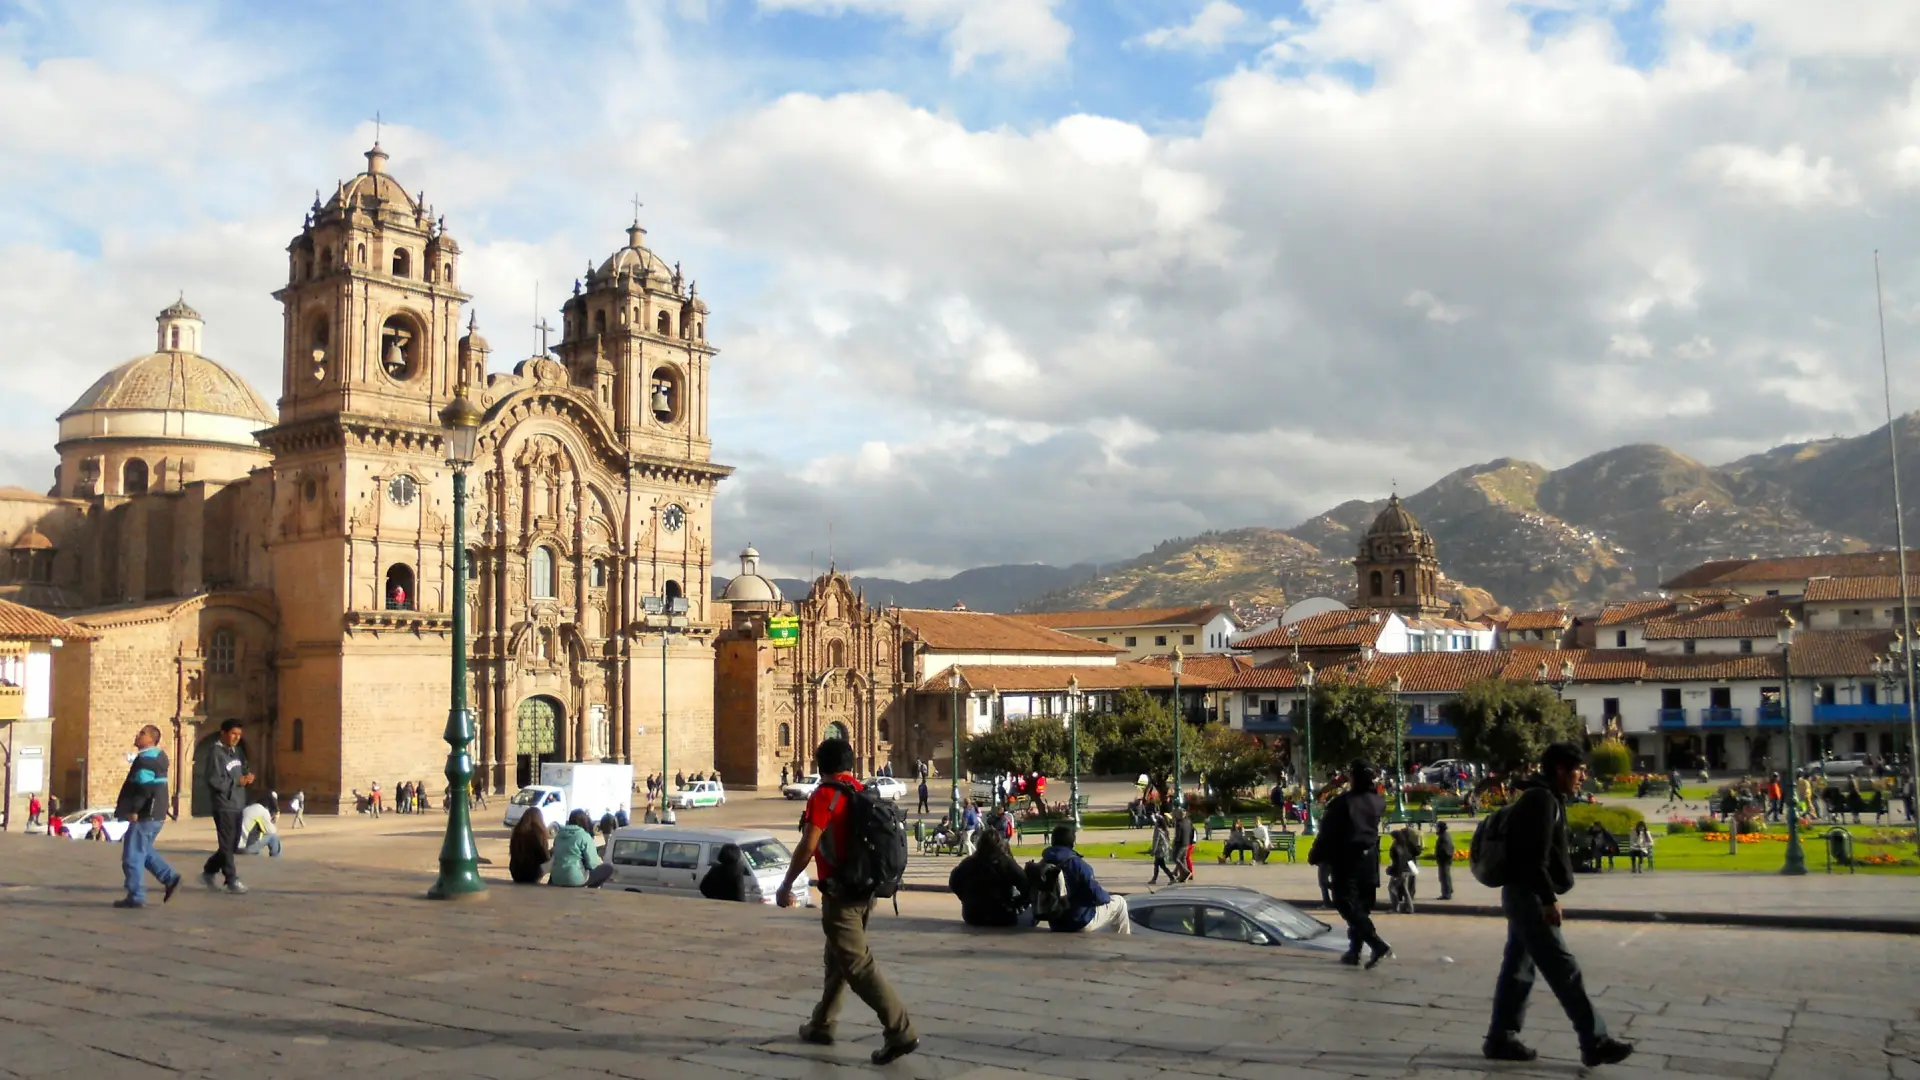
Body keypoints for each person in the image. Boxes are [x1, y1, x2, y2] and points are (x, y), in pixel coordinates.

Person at [1484, 742, 1634, 1067]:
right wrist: (1548, 900)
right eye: (1579, 770)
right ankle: (1595, 1041)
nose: (1583, 776)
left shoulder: (1543, 798)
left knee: (1518, 969)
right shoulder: (1541, 800)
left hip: (1522, 894)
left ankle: (1501, 1037)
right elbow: (1531, 858)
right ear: (1560, 771)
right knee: (1565, 970)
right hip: (1530, 897)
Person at [776, 738, 919, 1066]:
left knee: (855, 963)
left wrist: (787, 884)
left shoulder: (825, 794)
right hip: (865, 890)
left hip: (841, 893)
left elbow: (808, 844)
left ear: (819, 765)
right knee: (838, 959)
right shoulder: (860, 790)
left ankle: (900, 1030)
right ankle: (822, 1024)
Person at [1308, 759, 1390, 968]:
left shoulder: (1342, 803)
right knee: (1361, 906)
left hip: (1346, 858)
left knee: (1346, 903)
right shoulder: (1378, 801)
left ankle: (1376, 943)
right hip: (1370, 859)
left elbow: (1328, 833)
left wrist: (1316, 854)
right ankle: (1354, 951)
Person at [113, 724, 181, 908]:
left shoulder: (145, 761)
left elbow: (145, 788)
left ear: (151, 739)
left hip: (146, 814)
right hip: (156, 813)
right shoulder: (159, 757)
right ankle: (170, 877)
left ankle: (136, 896)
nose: (137, 735)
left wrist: (134, 809)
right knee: (143, 850)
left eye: (142, 733)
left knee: (132, 855)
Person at [1037, 825, 1130, 934]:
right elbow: (1097, 895)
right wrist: (1107, 897)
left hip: (1056, 922)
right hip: (1080, 921)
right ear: (1072, 843)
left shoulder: (1043, 863)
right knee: (1120, 903)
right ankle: (1123, 939)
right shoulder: (1076, 864)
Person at [197, 719, 254, 894]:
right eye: (233, 734)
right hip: (223, 804)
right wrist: (238, 781)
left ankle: (209, 870)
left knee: (232, 844)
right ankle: (231, 879)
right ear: (223, 733)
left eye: (239, 735)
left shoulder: (236, 752)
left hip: (237, 803)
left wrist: (247, 776)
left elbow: (241, 770)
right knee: (227, 844)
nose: (236, 737)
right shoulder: (216, 753)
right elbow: (214, 780)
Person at [948, 827, 1031, 927]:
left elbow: (953, 881)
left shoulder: (969, 862)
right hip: (1002, 914)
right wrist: (1018, 902)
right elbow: (1024, 883)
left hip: (972, 915)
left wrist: (965, 898)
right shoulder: (1005, 862)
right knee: (1031, 913)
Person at [548, 810, 612, 887]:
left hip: (556, 878)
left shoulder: (559, 836)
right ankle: (590, 890)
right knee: (608, 868)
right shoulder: (584, 836)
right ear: (584, 821)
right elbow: (592, 863)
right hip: (575, 878)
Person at [1387, 825, 1420, 914]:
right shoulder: (1406, 844)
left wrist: (1395, 873)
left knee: (1392, 888)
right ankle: (1410, 907)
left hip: (1400, 871)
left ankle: (1395, 907)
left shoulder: (1397, 847)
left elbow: (1398, 862)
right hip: (1407, 868)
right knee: (1405, 889)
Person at [1148, 814, 1176, 884]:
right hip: (1164, 849)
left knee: (1162, 866)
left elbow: (1156, 841)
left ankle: (1172, 878)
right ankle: (1154, 879)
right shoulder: (1165, 829)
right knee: (1157, 865)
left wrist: (1153, 851)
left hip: (1159, 850)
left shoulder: (1158, 830)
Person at [1171, 807, 1195, 883]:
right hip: (1187, 843)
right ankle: (1182, 876)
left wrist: (1174, 844)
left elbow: (1178, 836)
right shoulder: (1188, 821)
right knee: (1183, 858)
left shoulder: (1179, 824)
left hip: (1180, 844)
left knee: (1176, 858)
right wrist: (1190, 841)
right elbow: (1192, 832)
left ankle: (1186, 872)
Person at [1433, 820, 1456, 900]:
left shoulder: (1443, 837)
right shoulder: (1445, 835)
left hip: (1444, 860)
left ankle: (1446, 894)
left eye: (1437, 827)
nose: (1436, 829)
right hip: (1445, 860)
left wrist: (1438, 856)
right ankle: (1449, 890)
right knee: (1445, 876)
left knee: (1444, 877)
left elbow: (1445, 850)